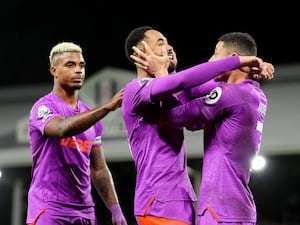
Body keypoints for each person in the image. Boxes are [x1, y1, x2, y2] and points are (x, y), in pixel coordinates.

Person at [122, 26, 274, 225]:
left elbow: (209, 86)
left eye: (168, 41)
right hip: (156, 201)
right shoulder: (135, 89)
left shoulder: (233, 94)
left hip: (184, 201)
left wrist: (250, 67)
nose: (169, 47)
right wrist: (239, 62)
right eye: (160, 42)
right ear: (140, 52)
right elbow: (183, 84)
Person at [26, 41, 128, 225]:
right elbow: (62, 128)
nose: (79, 70)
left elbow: (99, 169)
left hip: (85, 212)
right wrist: (107, 107)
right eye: (70, 65)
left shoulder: (90, 116)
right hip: (49, 208)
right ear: (54, 71)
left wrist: (115, 209)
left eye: (81, 65)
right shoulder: (43, 107)